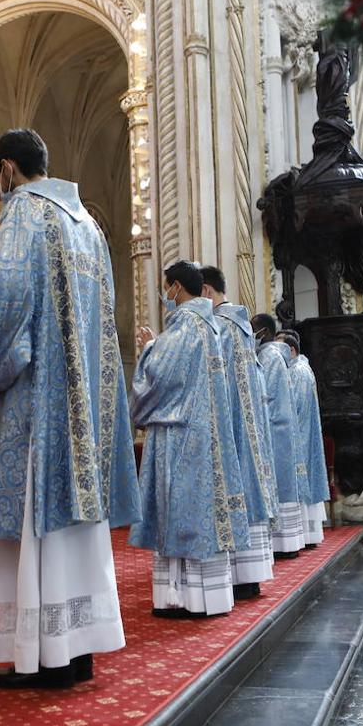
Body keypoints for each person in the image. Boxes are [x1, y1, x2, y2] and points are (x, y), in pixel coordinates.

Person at [0, 128, 141, 689]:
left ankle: (39, 653)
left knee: (33, 520)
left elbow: (1, 289)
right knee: (73, 527)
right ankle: (77, 645)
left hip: (36, 405)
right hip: (83, 411)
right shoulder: (87, 224)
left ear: (8, 169)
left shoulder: (26, 213)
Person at [131, 261, 251, 618]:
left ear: (176, 288)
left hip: (181, 436)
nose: (164, 295)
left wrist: (150, 348)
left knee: (182, 513)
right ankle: (204, 595)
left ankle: (181, 598)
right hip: (207, 432)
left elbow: (159, 377)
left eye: (165, 287)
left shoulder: (185, 327)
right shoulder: (212, 326)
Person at [200, 265, 278, 600]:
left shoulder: (219, 325)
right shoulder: (243, 324)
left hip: (228, 423)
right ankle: (249, 573)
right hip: (248, 427)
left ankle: (238, 575)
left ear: (205, 291)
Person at [251, 313, 306, 558]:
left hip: (274, 428)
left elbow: (267, 397)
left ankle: (285, 544)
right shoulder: (274, 356)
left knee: (280, 486)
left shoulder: (270, 357)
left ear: (261, 332)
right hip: (279, 427)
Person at [279, 331, 329, 546]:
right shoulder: (302, 369)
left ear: (291, 350)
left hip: (298, 438)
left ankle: (304, 536)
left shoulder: (298, 371)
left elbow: (292, 408)